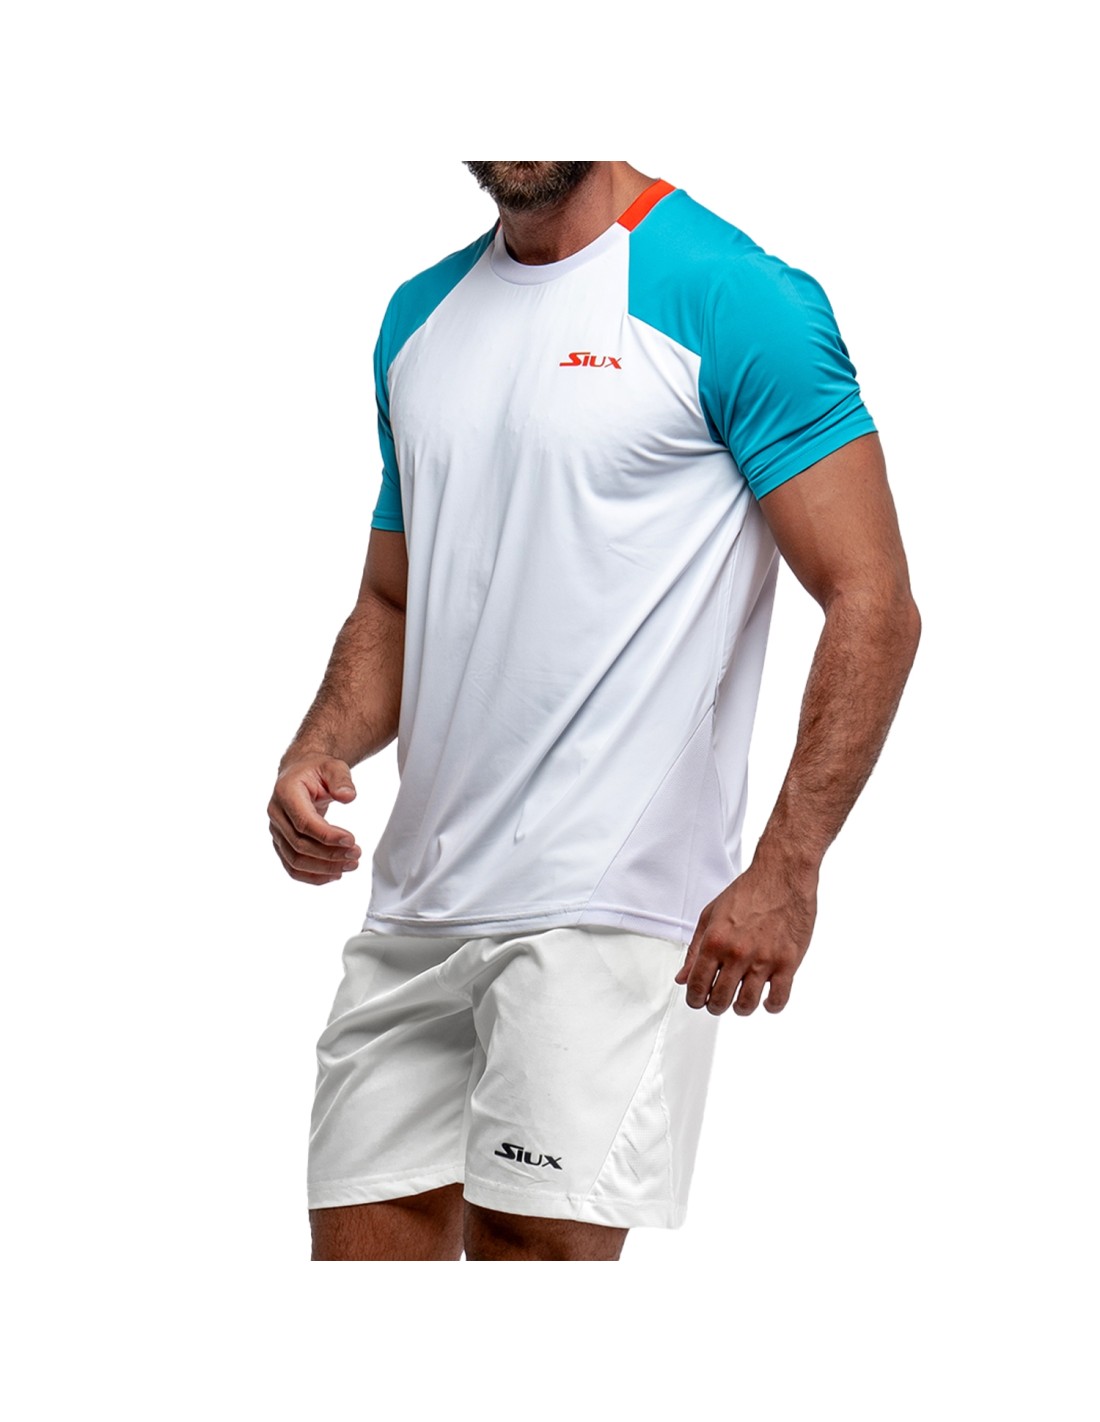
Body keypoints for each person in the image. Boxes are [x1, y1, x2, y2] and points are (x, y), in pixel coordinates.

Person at [267, 161, 920, 1262]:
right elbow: (395, 598)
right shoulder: (418, 319)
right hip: (418, 905)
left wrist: (788, 864)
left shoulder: (730, 296)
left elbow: (873, 599)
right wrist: (318, 747)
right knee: (357, 1257)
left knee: (535, 1266)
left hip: (607, 907)